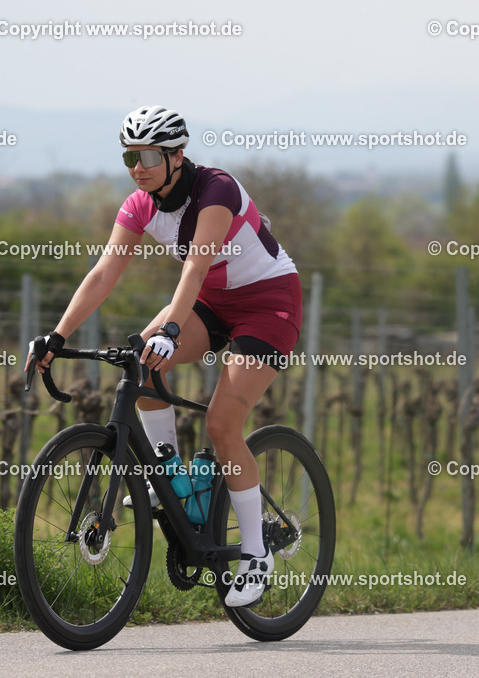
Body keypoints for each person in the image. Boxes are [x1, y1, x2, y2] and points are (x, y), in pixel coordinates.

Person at [30, 105, 302, 607]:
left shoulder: (215, 190)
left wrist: (172, 329)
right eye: (130, 155)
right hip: (212, 302)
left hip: (268, 303)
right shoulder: (139, 205)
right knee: (141, 362)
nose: (138, 165)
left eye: (149, 154)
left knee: (222, 425)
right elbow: (103, 274)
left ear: (177, 154)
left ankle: (257, 554)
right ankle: (169, 473)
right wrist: (58, 335)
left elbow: (195, 268)